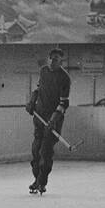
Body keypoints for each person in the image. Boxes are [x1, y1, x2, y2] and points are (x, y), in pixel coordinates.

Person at [26, 48, 71, 193]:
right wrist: (32, 102)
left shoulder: (65, 78)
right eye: (51, 58)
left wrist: (53, 119)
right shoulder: (43, 71)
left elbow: (63, 103)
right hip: (39, 118)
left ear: (61, 61)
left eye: (56, 59)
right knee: (35, 150)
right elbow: (38, 90)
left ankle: (41, 182)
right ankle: (36, 179)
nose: (53, 61)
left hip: (53, 121)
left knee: (45, 152)